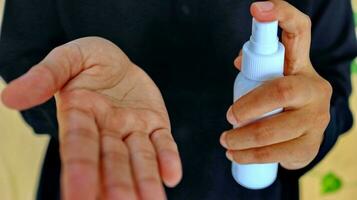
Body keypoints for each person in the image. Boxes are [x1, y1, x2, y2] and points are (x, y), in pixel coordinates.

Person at [0, 0, 356, 199]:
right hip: (98, 178)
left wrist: (308, 129)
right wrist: (69, 101)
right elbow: (21, 58)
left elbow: (332, 84)